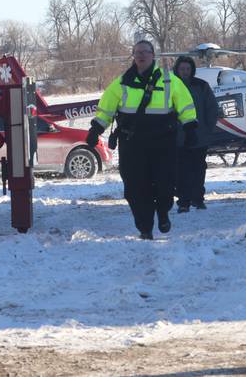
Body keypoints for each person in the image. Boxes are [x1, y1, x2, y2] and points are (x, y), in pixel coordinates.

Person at [86, 40, 197, 240]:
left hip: (163, 142)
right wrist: (96, 129)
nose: (141, 56)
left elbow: (186, 105)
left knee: (165, 184)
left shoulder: (170, 80)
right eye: (137, 53)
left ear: (153, 55)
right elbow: (106, 108)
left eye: (145, 52)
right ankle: (145, 228)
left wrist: (190, 128)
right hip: (133, 144)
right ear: (133, 56)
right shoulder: (121, 83)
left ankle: (163, 212)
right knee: (135, 188)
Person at [173, 56, 218, 213]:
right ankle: (183, 201)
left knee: (199, 169)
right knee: (180, 171)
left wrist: (208, 128)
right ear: (177, 70)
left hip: (199, 137)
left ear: (192, 70)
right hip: (178, 138)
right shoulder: (170, 87)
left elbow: (212, 108)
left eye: (187, 69)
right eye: (182, 69)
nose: (185, 72)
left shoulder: (201, 86)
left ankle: (198, 199)